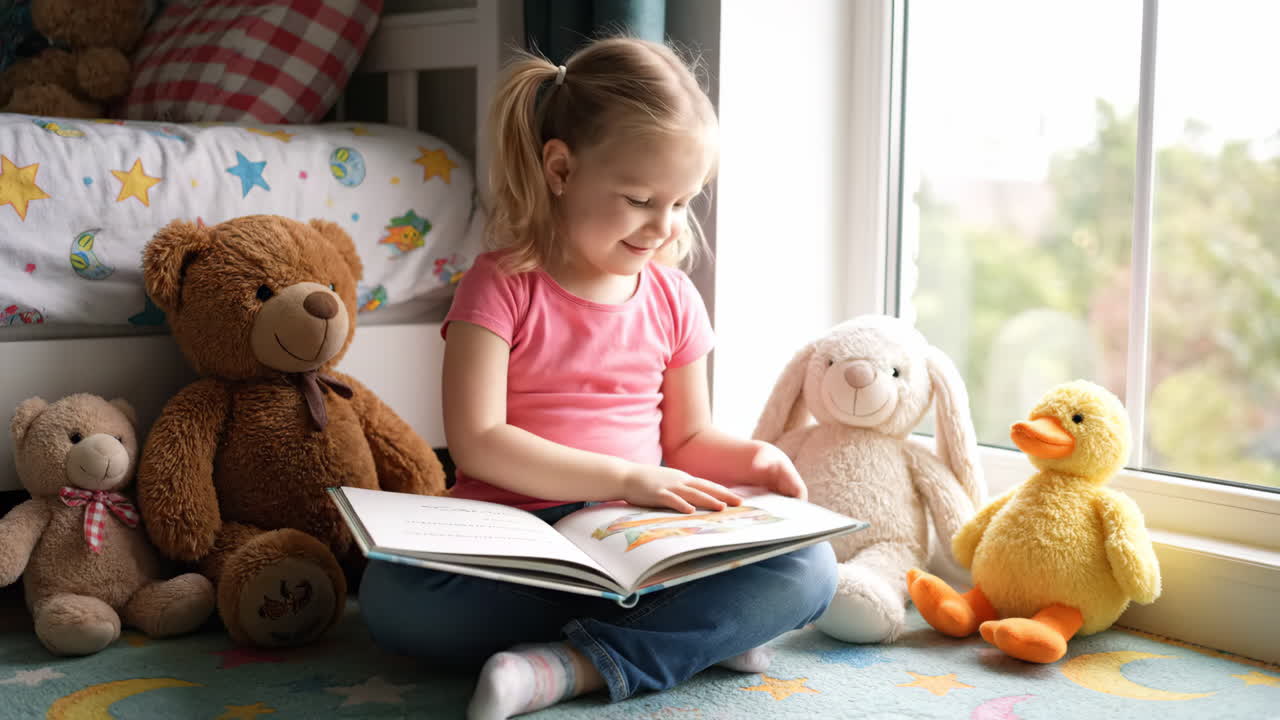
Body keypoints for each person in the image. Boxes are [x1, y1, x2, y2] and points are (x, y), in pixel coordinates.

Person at [358, 36, 838, 719]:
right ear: (560, 169)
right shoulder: (500, 285)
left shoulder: (674, 298)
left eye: (683, 202)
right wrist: (626, 478)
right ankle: (693, 637)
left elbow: (688, 439)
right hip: (522, 546)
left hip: (635, 542)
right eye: (641, 199)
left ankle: (570, 668)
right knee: (392, 597)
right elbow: (478, 442)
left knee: (810, 570)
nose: (664, 227)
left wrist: (756, 459)